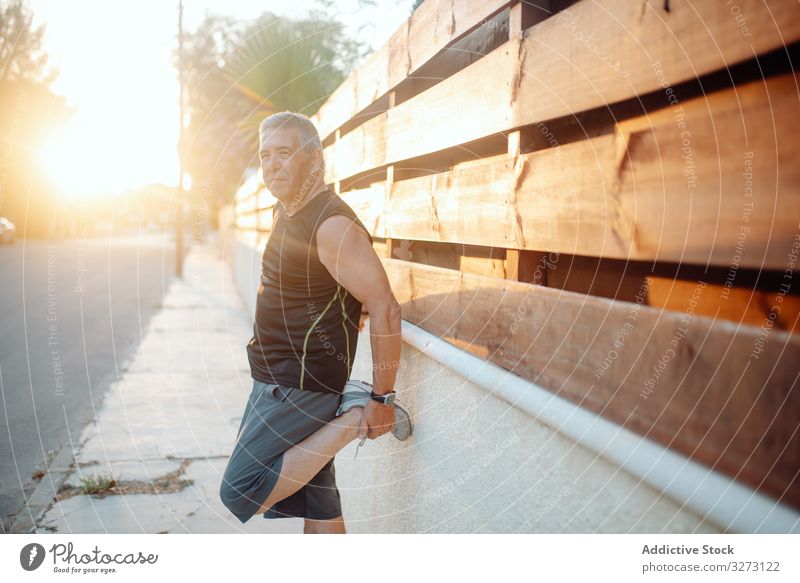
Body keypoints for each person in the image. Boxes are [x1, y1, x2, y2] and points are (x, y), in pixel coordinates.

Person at [219, 111, 412, 534]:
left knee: (241, 489)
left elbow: (385, 308)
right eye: (265, 154)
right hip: (278, 379)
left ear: (314, 160)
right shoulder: (287, 210)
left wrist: (381, 399)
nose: (272, 164)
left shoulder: (331, 226)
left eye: (284, 153)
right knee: (321, 516)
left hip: (295, 388)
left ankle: (352, 418)